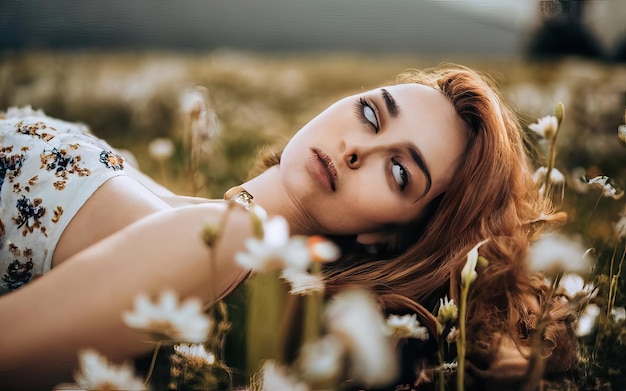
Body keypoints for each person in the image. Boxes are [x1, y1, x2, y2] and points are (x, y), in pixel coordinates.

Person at [0, 64, 575, 389]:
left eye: (399, 171)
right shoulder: (207, 225)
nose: (357, 150)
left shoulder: (226, 242)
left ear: (391, 237)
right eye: (371, 114)